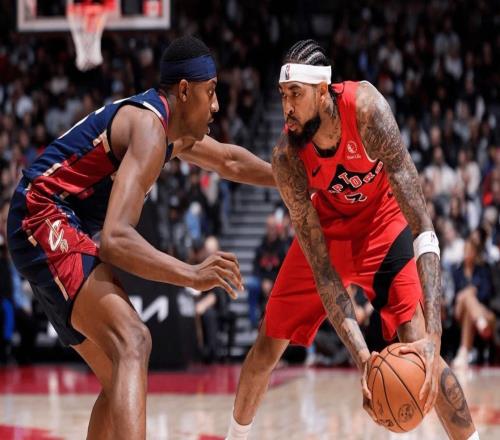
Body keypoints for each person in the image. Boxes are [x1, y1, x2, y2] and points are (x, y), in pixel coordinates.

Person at [7, 35, 274, 440]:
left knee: (119, 372)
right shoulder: (149, 129)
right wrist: (192, 274)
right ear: (184, 91)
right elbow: (115, 239)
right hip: (40, 213)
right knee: (133, 340)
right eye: (211, 91)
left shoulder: (168, 131)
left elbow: (229, 160)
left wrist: (295, 181)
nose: (217, 105)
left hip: (55, 221)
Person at [226, 40, 478, 440]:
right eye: (282, 95)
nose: (287, 107)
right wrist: (363, 359)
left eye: (295, 94)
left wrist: (434, 334)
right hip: (328, 231)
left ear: (322, 91)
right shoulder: (287, 158)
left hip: (383, 222)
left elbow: (422, 225)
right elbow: (325, 276)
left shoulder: (366, 110)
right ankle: (234, 437)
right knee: (266, 346)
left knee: (422, 351)